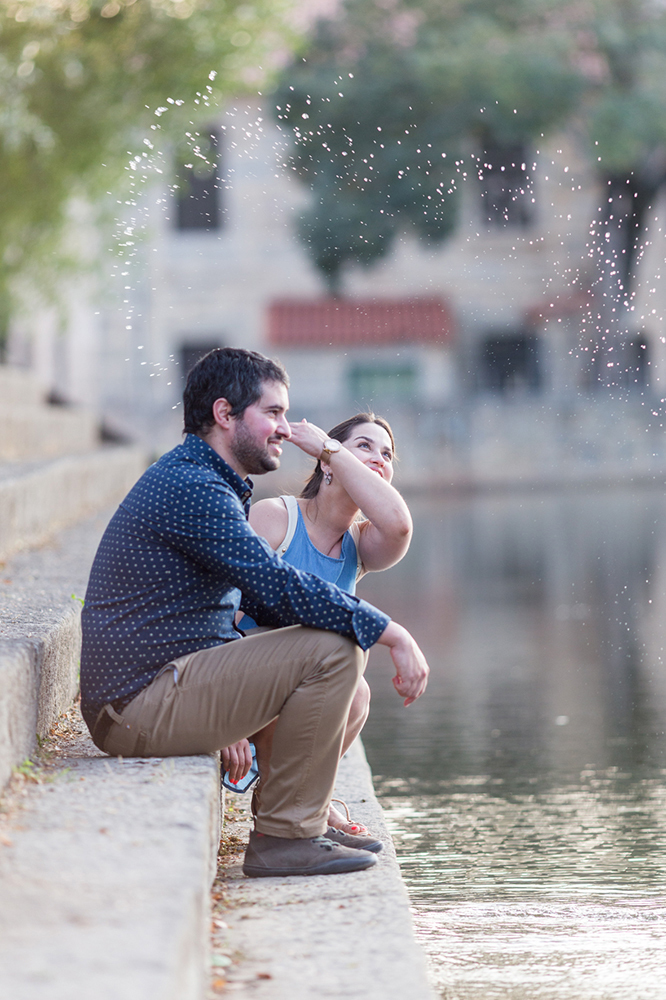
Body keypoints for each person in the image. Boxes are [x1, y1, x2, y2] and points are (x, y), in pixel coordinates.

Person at [80, 347, 429, 879]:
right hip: (136, 705)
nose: (284, 430)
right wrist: (389, 631)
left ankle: (298, 820)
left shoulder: (206, 480)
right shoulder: (195, 488)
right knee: (334, 647)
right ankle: (286, 837)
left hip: (155, 688)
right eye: (272, 413)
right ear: (225, 414)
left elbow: (261, 599)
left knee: (334, 644)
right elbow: (275, 585)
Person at [226, 412, 411, 837]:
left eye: (387, 454)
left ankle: (290, 799)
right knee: (338, 672)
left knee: (358, 692)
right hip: (241, 688)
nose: (379, 458)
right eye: (363, 446)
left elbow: (399, 525)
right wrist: (224, 726)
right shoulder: (276, 518)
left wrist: (344, 455)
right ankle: (298, 804)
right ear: (327, 463)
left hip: (300, 690)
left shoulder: (361, 545)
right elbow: (218, 615)